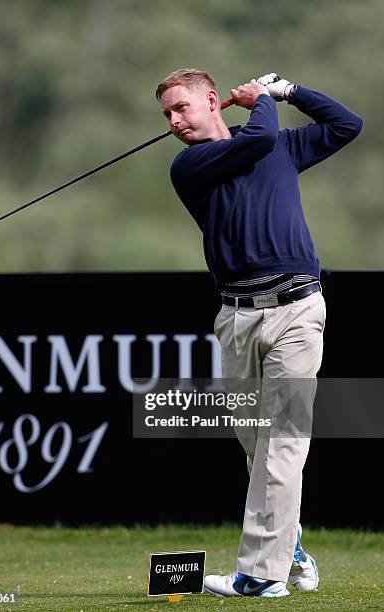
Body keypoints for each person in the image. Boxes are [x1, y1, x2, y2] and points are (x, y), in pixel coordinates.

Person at [156, 69, 362, 598]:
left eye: (181, 108)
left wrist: (288, 92)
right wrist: (260, 101)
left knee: (281, 446)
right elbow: (259, 137)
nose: (175, 121)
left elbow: (346, 124)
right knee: (257, 448)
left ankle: (259, 577)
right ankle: (287, 549)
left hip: (297, 312)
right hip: (237, 320)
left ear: (210, 100)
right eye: (167, 116)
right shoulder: (190, 165)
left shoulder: (280, 146)